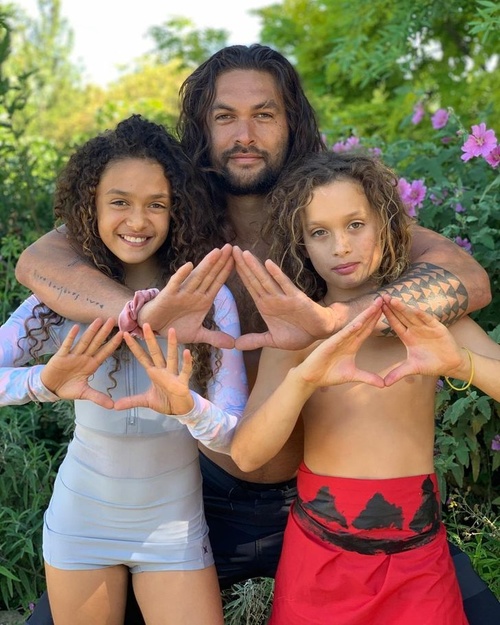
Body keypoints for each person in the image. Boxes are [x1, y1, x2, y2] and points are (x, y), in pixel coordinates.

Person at [17, 45, 496, 624]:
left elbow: (466, 277)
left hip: (326, 496)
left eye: (264, 114)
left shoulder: (328, 211)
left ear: (293, 123)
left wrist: (335, 321)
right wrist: (147, 312)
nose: (244, 134)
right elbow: (39, 262)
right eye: (225, 116)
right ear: (201, 127)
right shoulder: (169, 212)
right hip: (201, 493)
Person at [230, 151, 500, 625]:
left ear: (386, 225)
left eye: (355, 225)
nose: (341, 247)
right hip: (319, 560)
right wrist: (304, 378)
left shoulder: (427, 320)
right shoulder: (298, 336)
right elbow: (248, 455)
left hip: (419, 560)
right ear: (302, 244)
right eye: (320, 232)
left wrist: (463, 364)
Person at [5, 114, 249, 625]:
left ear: (177, 209)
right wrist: (42, 383)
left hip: (174, 529)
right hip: (81, 522)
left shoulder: (207, 300)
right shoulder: (62, 299)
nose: (137, 221)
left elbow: (234, 435)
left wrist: (188, 408)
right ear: (90, 205)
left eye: (156, 204)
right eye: (119, 202)